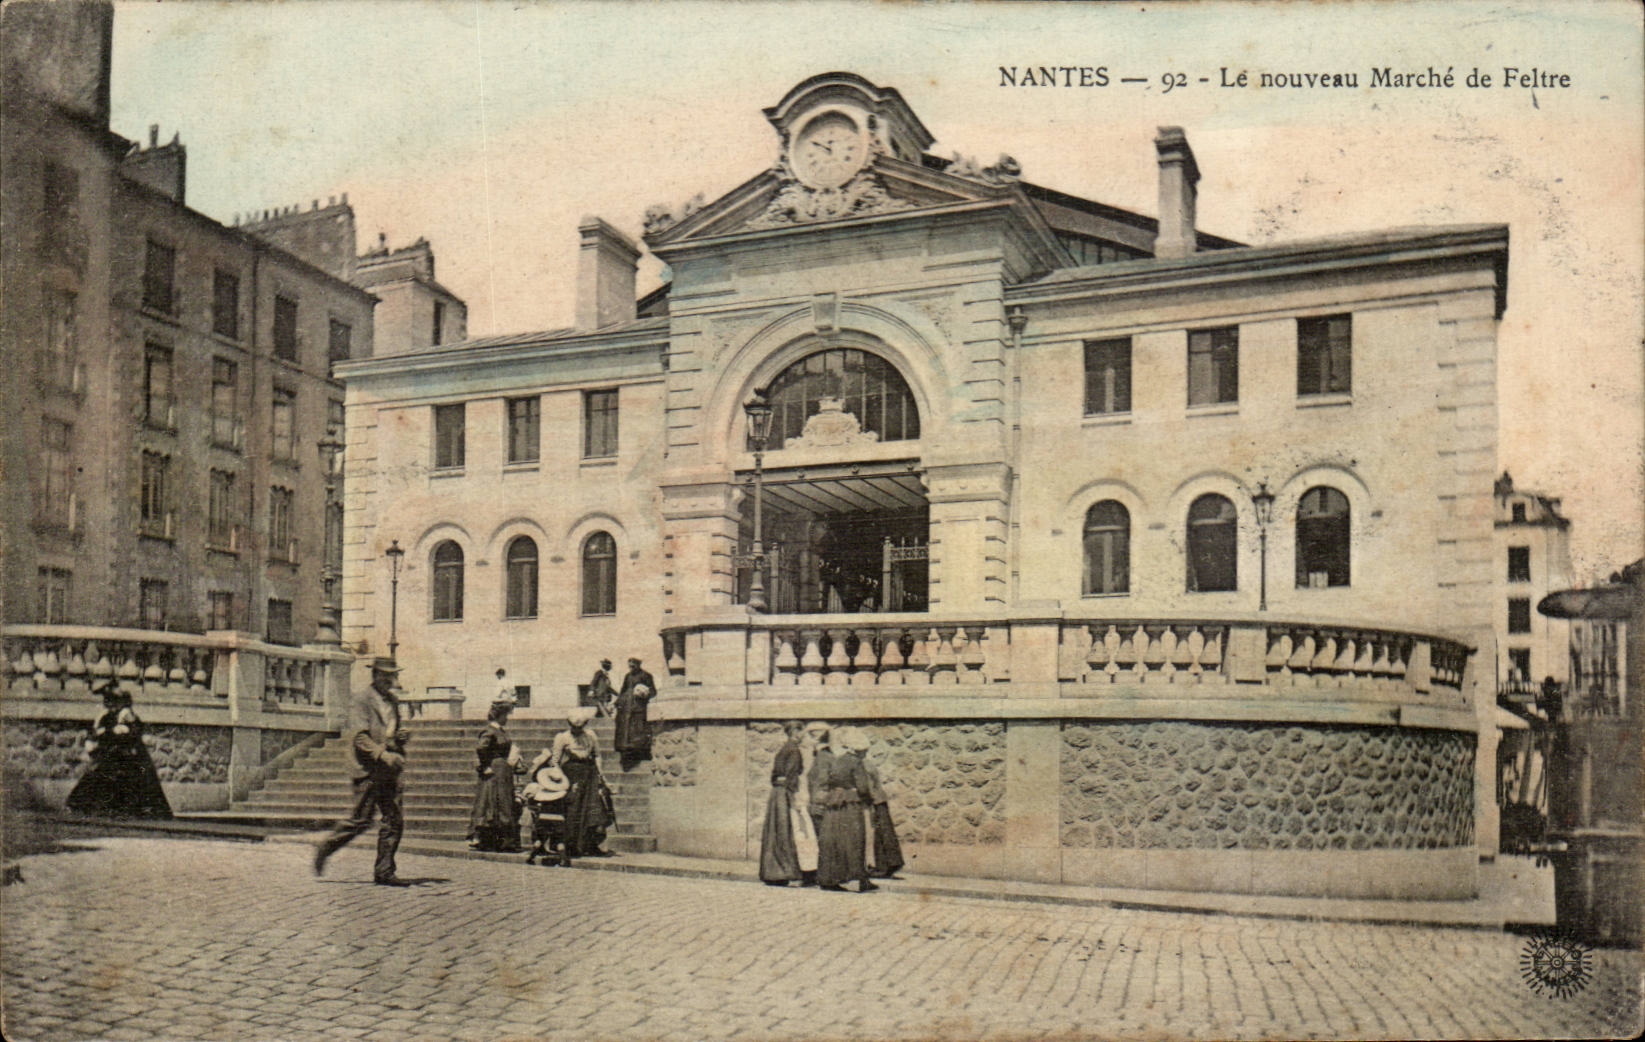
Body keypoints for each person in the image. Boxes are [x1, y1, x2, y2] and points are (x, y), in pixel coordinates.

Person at [314, 658, 411, 886]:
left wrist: (400, 739)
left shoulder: (393, 701)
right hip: (368, 768)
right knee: (360, 820)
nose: (390, 680)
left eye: (393, 675)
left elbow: (389, 733)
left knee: (393, 819)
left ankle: (384, 872)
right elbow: (359, 737)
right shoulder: (360, 701)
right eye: (386, 675)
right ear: (375, 675)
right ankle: (326, 847)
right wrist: (383, 754)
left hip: (388, 770)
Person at [65, 677, 172, 819]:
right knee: (100, 775)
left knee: (133, 779)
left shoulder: (126, 714)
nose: (110, 704)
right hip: (112, 752)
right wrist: (103, 735)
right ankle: (90, 806)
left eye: (112, 700)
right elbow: (98, 732)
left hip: (129, 753)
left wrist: (122, 732)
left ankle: (133, 810)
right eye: (107, 700)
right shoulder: (106, 715)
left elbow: (135, 730)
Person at [531, 707, 613, 861]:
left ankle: (591, 845)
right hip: (570, 775)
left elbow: (597, 755)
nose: (578, 729)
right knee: (573, 808)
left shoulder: (591, 736)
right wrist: (558, 776)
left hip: (589, 774)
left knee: (593, 808)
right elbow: (555, 760)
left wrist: (601, 774)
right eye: (575, 726)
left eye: (581, 726)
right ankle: (571, 845)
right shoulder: (562, 737)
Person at [815, 727, 877, 893]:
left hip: (834, 804)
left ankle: (828, 878)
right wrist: (869, 800)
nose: (864, 753)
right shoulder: (856, 762)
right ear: (859, 749)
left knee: (832, 841)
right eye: (864, 751)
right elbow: (863, 787)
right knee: (855, 841)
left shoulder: (837, 760)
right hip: (851, 805)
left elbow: (828, 781)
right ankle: (859, 879)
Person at [467, 697, 522, 852]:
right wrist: (485, 766)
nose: (507, 719)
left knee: (503, 802)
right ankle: (489, 839)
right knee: (493, 801)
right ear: (499, 715)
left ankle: (501, 840)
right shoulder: (490, 731)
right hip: (495, 770)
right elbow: (481, 748)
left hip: (503, 771)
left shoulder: (499, 730)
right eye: (505, 716)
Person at [758, 721, 807, 885]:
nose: (803, 736)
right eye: (801, 732)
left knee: (774, 831)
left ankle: (772, 872)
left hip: (776, 793)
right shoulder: (794, 750)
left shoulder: (783, 750)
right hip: (785, 793)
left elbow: (773, 776)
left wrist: (781, 782)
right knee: (785, 830)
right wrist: (793, 797)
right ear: (795, 733)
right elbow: (792, 775)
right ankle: (784, 872)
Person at [864, 752, 904, 879]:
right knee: (884, 832)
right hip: (880, 798)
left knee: (881, 833)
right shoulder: (868, 763)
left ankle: (886, 865)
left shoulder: (863, 765)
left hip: (875, 800)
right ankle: (889, 864)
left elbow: (869, 786)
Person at [523, 761, 571, 866]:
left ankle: (531, 856)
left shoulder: (541, 793)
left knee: (540, 838)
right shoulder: (563, 794)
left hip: (543, 818)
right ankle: (563, 859)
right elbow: (570, 802)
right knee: (559, 840)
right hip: (558, 819)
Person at [614, 657, 656, 768]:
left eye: (634, 664)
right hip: (626, 707)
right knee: (624, 729)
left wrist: (644, 693)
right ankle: (625, 749)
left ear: (638, 664)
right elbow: (623, 690)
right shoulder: (627, 676)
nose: (631, 666)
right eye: (630, 664)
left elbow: (653, 691)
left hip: (639, 707)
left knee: (638, 728)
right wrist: (618, 701)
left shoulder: (646, 675)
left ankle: (640, 751)